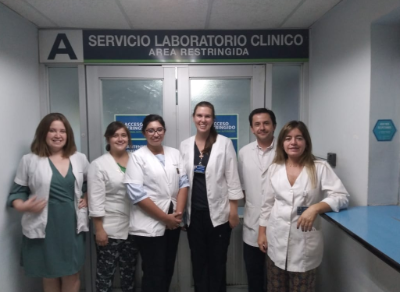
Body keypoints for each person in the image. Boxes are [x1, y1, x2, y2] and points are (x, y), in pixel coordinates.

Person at [258, 121, 349, 292]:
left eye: (299, 138)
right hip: (276, 241)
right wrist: (262, 233)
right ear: (282, 143)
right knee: (275, 287)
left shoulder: (319, 167)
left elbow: (342, 197)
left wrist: (315, 208)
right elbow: (267, 203)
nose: (293, 142)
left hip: (304, 245)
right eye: (288, 138)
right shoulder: (275, 168)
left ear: (306, 142)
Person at [8, 113, 89, 292]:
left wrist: (88, 196)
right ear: (43, 133)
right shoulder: (30, 160)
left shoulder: (79, 158)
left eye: (62, 131)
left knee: (72, 272)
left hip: (71, 222)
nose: (57, 135)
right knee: (49, 273)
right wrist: (22, 205)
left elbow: (91, 183)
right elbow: (17, 191)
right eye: (52, 130)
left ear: (68, 135)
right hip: (45, 223)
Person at [179, 101, 243, 292]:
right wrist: (182, 213)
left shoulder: (224, 143)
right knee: (198, 263)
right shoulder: (185, 145)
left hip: (218, 216)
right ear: (193, 118)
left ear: (213, 119)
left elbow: (232, 178)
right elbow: (182, 181)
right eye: (199, 115)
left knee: (217, 263)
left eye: (207, 116)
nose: (203, 120)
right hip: (194, 216)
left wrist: (233, 211)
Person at [124, 114, 189, 292]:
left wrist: (178, 214)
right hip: (149, 224)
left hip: (173, 221)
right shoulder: (137, 157)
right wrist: (164, 218)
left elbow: (183, 184)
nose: (155, 134)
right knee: (154, 272)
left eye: (159, 129)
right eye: (151, 130)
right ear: (144, 133)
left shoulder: (174, 154)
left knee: (167, 269)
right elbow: (136, 194)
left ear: (164, 131)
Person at [88, 121, 138, 292]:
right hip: (108, 229)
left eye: (123, 135)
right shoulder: (99, 164)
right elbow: (95, 199)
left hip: (133, 228)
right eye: (115, 135)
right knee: (105, 275)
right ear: (108, 138)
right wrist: (99, 229)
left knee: (129, 274)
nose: (120, 138)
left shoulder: (136, 160)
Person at [238, 108, 277, 292]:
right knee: (254, 275)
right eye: (257, 124)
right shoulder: (244, 153)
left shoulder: (285, 151)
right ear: (252, 129)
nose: (262, 127)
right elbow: (242, 187)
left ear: (274, 126)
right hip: (252, 225)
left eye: (266, 123)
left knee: (277, 279)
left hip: (280, 225)